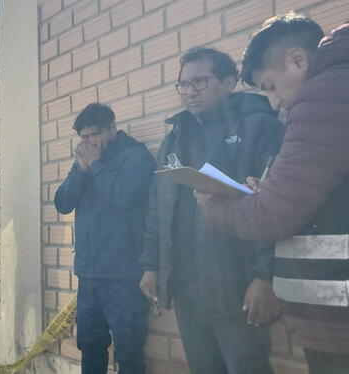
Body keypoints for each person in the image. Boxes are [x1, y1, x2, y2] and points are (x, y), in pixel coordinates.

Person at [195, 15, 349, 374]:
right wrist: (267, 193)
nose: (273, 102)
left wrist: (213, 203)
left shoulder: (325, 95)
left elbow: (273, 215)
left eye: (271, 86)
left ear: (299, 60)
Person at [139, 48, 284, 374]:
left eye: (200, 82)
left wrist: (265, 275)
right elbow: (157, 207)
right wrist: (152, 266)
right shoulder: (174, 139)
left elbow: (277, 208)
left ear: (229, 81)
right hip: (187, 286)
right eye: (183, 85)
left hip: (236, 284)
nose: (189, 92)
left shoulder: (260, 127)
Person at [54, 103, 154, 374]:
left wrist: (96, 165)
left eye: (95, 134)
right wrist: (80, 170)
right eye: (84, 138)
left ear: (112, 128)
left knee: (129, 352)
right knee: (90, 346)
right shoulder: (84, 164)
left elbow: (126, 196)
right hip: (89, 274)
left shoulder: (135, 156)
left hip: (124, 275)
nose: (90, 143)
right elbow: (62, 203)